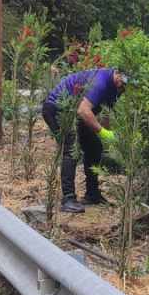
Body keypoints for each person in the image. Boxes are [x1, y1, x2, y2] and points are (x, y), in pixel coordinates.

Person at [39, 66, 127, 213]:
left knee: (95, 147)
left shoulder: (117, 88)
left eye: (126, 84)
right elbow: (84, 110)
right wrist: (103, 132)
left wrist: (107, 135)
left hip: (75, 112)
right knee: (71, 148)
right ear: (117, 73)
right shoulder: (101, 82)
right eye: (122, 81)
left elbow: (105, 113)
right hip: (58, 108)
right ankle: (68, 199)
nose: (123, 86)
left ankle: (92, 194)